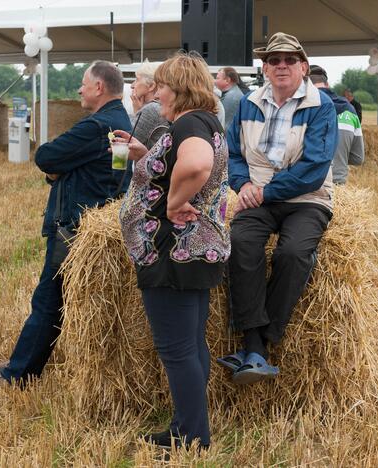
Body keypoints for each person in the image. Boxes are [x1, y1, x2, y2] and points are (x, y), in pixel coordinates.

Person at [0, 61, 132, 388]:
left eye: (83, 83)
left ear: (99, 87)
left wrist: (60, 168)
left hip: (73, 226)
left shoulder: (96, 126)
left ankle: (19, 374)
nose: (79, 89)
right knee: (55, 299)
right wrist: (65, 169)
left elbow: (45, 156)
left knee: (48, 300)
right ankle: (24, 362)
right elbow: (116, 174)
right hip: (92, 223)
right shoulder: (120, 121)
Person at [116, 52, 230, 450]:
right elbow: (180, 165)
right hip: (192, 251)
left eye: (161, 85)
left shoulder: (190, 123)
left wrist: (171, 202)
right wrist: (147, 159)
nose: (156, 92)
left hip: (173, 253)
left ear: (178, 88)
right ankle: (189, 426)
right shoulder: (202, 121)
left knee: (177, 348)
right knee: (191, 344)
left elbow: (196, 164)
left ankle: (192, 436)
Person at [218, 32, 338, 385]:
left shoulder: (321, 106)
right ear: (264, 68)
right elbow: (232, 154)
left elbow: (314, 168)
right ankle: (253, 346)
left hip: (305, 199)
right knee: (241, 245)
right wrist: (242, 185)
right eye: (274, 60)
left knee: (293, 254)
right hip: (256, 196)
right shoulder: (248, 103)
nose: (281, 66)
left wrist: (264, 191)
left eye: (289, 60)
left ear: (302, 66)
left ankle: (263, 339)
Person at [309, 65, 364, 185]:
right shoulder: (350, 110)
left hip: (310, 187)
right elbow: (358, 158)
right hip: (338, 185)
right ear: (327, 84)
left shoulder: (304, 106)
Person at [129, 61, 169, 149]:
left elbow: (128, 141)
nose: (132, 85)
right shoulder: (159, 107)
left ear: (151, 86)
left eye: (137, 79)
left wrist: (136, 112)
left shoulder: (152, 109)